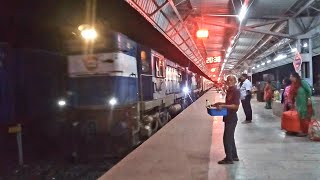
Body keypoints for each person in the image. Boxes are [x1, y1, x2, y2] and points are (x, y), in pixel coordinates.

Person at [213, 75, 240, 164]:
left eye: (231, 80)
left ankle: (229, 159)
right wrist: (219, 103)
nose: (229, 81)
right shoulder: (230, 91)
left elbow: (235, 106)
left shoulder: (236, 91)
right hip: (228, 117)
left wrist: (223, 106)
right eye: (228, 80)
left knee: (226, 138)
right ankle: (234, 156)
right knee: (230, 137)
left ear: (235, 81)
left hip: (232, 117)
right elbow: (229, 103)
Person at [289, 72, 313, 137]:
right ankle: (302, 130)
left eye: (291, 76)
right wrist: (292, 102)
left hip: (305, 102)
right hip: (299, 102)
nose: (290, 78)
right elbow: (293, 94)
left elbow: (309, 90)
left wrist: (308, 99)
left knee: (304, 116)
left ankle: (305, 132)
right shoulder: (294, 84)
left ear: (295, 77)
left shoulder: (302, 82)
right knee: (300, 116)